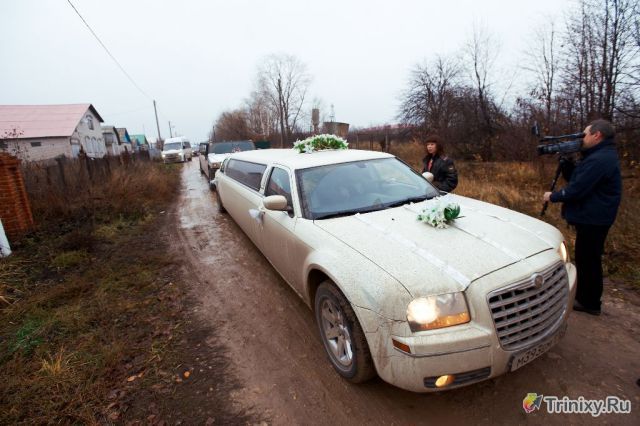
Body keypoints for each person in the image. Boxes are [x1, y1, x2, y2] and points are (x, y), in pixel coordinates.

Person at [543, 119, 622, 316]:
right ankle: (587, 296)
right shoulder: (599, 155)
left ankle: (590, 302)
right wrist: (567, 163)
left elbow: (577, 189)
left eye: (585, 134)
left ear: (597, 135)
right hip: (594, 215)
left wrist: (553, 196)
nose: (582, 138)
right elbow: (578, 178)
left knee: (589, 259)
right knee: (587, 257)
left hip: (594, 217)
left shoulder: (599, 159)